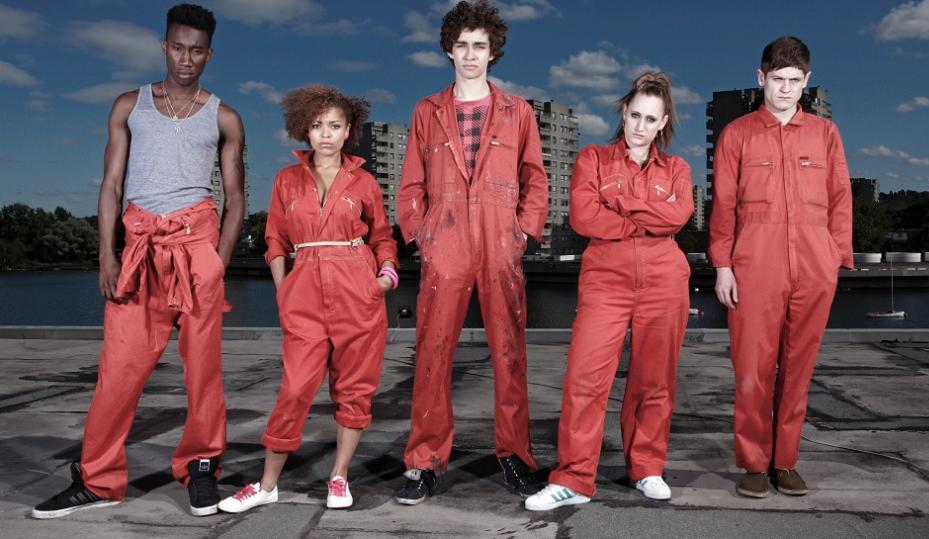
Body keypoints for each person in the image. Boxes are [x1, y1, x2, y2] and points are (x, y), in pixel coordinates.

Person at [32, 3, 245, 519]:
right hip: (140, 248)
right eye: (178, 46)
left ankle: (200, 467)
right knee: (119, 371)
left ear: (209, 53)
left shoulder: (225, 116)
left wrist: (217, 262)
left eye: (197, 49)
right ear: (164, 46)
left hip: (197, 248)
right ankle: (99, 480)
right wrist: (107, 254)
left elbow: (236, 197)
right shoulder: (130, 104)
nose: (186, 57)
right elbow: (110, 185)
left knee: (203, 374)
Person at [394, 0, 548, 505]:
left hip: (499, 240)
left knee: (510, 353)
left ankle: (515, 455)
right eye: (461, 45)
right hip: (448, 241)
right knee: (433, 352)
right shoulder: (427, 111)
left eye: (480, 46)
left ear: (494, 52)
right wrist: (423, 235)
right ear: (448, 49)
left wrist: (521, 232)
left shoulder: (517, 111)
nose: (470, 55)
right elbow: (411, 182)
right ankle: (424, 460)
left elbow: (535, 179)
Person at [217, 85, 397, 513]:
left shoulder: (365, 182)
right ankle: (266, 484)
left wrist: (384, 279)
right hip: (305, 295)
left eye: (334, 125)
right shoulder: (286, 180)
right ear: (304, 130)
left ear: (348, 129)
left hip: (359, 291)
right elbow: (275, 241)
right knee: (295, 390)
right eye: (317, 126)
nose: (326, 134)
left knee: (354, 391)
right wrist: (285, 291)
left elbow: (383, 237)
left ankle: (339, 477)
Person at [525, 72, 693, 511]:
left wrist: (620, 207)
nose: (640, 125)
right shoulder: (593, 159)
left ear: (663, 122)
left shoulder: (677, 169)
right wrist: (646, 220)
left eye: (650, 118)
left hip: (663, 281)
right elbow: (583, 217)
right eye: (634, 114)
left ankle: (647, 468)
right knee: (584, 378)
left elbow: (679, 217)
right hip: (606, 281)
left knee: (653, 382)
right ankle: (575, 478)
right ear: (623, 113)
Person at [708, 36, 853, 498]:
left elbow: (840, 200)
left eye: (795, 81)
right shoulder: (737, 135)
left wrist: (834, 257)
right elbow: (724, 205)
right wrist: (723, 265)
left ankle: (785, 461)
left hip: (814, 266)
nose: (786, 89)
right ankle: (754, 463)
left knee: (797, 369)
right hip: (755, 265)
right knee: (752, 369)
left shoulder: (826, 135)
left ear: (807, 81)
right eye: (777, 80)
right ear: (760, 78)